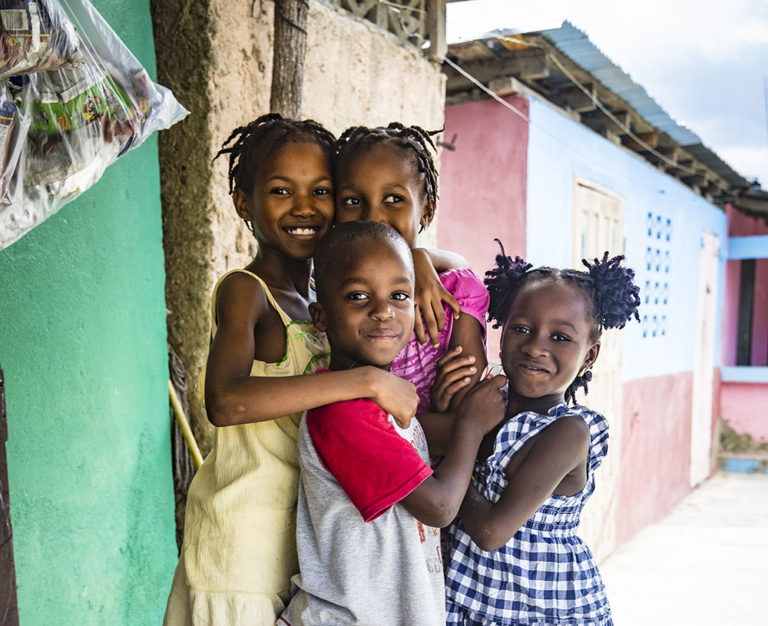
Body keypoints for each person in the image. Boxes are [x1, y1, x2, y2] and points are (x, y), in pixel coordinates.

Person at [163, 114, 420, 626]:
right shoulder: (247, 291)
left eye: (321, 191)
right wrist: (367, 381)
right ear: (244, 203)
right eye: (282, 190)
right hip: (242, 546)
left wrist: (424, 263)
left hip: (300, 545)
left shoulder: (324, 302)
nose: (304, 207)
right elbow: (225, 401)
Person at [279, 221, 508, 626]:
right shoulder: (344, 411)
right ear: (321, 316)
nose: (383, 310)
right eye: (358, 296)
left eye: (399, 295)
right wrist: (469, 423)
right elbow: (439, 507)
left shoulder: (380, 400)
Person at [441, 245, 641, 626]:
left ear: (590, 355)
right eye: (521, 329)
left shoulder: (568, 432)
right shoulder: (484, 402)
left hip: (541, 610)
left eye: (561, 338)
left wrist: (462, 432)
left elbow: (489, 531)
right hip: (468, 601)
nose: (535, 347)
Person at [334, 123, 489, 426]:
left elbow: (470, 420)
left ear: (427, 211)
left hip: (441, 473)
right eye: (353, 201)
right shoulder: (330, 295)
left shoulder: (454, 296)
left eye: (393, 199)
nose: (372, 217)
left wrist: (420, 257)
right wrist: (435, 418)